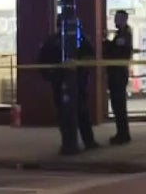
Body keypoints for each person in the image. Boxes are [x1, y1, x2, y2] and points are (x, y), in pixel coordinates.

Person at [39, 13, 99, 155]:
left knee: (81, 112)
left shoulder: (80, 40)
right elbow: (43, 61)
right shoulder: (53, 41)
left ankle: (87, 141)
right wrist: (51, 74)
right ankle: (70, 142)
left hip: (78, 81)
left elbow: (90, 56)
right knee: (65, 113)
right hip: (61, 83)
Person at [102, 9, 133, 144]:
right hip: (116, 73)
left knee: (119, 105)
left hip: (118, 73)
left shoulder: (124, 34)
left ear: (124, 19)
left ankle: (123, 134)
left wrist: (105, 43)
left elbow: (116, 52)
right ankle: (122, 133)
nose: (115, 20)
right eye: (115, 18)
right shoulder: (121, 33)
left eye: (118, 18)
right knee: (117, 105)